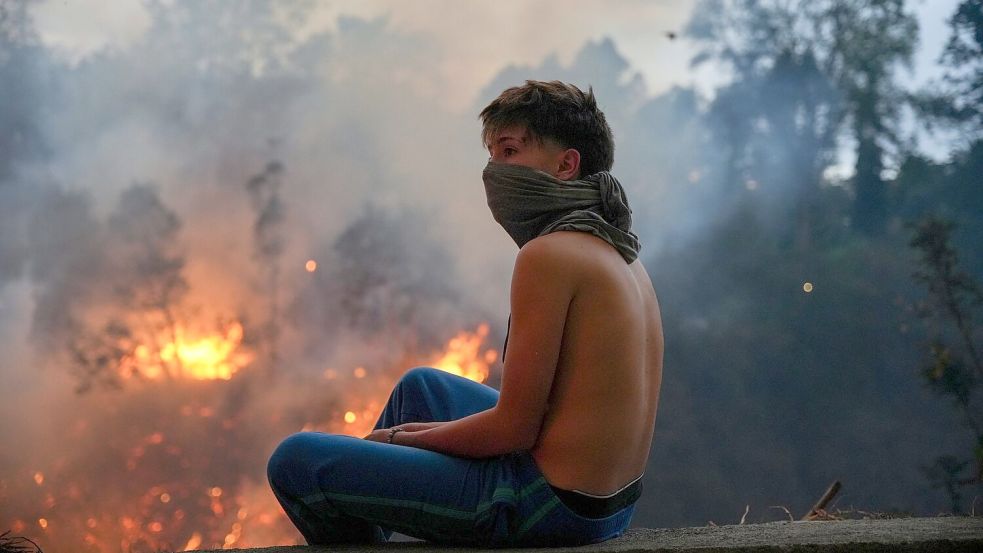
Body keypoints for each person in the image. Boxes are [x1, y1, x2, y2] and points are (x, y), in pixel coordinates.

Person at [266, 80, 664, 547]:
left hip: (549, 506)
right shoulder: (620, 253)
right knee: (423, 387)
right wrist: (414, 434)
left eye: (510, 151)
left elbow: (515, 429)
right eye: (492, 154)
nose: (495, 171)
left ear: (566, 165)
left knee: (296, 462)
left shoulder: (548, 256)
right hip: (608, 504)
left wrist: (398, 441)